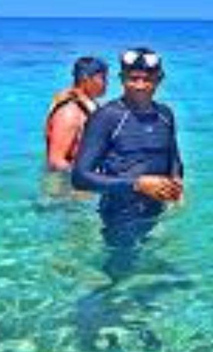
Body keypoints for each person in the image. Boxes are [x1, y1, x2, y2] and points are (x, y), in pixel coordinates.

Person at [72, 47, 183, 273]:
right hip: (119, 216)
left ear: (159, 79)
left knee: (150, 270)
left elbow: (173, 156)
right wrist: (137, 184)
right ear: (122, 79)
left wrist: (178, 183)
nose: (140, 85)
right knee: (119, 274)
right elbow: (80, 177)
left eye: (148, 79)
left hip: (155, 210)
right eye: (133, 79)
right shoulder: (107, 117)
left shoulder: (165, 114)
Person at [45, 56, 108, 172]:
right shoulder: (69, 112)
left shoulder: (87, 105)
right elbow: (55, 160)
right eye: (102, 78)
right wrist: (89, 177)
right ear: (85, 79)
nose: (106, 83)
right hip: (66, 185)